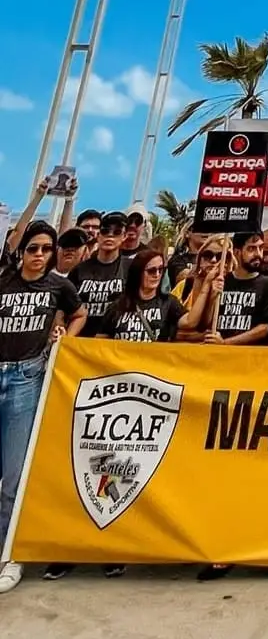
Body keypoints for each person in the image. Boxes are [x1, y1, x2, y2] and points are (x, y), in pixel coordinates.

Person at [0, 222, 86, 594]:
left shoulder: (58, 286)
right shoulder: (4, 279)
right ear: (22, 250)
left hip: (26, 378)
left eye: (45, 250)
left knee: (13, 478)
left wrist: (65, 337)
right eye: (33, 248)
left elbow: (79, 312)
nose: (38, 255)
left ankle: (9, 554)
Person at [98, 249, 188, 342]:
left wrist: (202, 285)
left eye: (161, 270)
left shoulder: (168, 302)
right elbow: (100, 342)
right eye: (151, 271)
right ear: (138, 272)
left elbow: (190, 322)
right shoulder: (117, 306)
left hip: (153, 356)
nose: (157, 275)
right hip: (122, 356)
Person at [68, 211, 131, 337]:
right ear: (98, 235)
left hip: (114, 342)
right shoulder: (79, 269)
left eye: (117, 232)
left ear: (124, 236)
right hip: (80, 340)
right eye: (105, 231)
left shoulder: (130, 267)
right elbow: (65, 307)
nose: (110, 236)